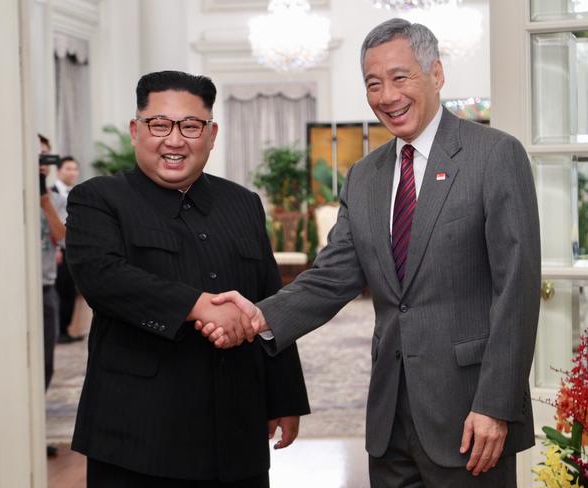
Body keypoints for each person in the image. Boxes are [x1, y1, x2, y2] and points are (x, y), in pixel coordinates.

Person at [199, 18, 541, 487]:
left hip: (469, 413)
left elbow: (516, 290)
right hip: (389, 416)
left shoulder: (495, 156)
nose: (387, 96)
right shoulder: (365, 175)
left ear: (436, 75)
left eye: (400, 78)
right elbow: (332, 276)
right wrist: (257, 317)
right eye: (373, 83)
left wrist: (495, 403)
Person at [65, 70, 310, 487]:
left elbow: (270, 300)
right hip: (138, 435)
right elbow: (102, 278)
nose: (174, 140)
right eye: (159, 124)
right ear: (135, 130)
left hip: (236, 429)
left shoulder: (243, 203)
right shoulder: (98, 199)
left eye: (191, 126)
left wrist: (284, 396)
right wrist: (196, 304)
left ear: (211, 134)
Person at [38, 134, 67, 457]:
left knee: (44, 363)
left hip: (45, 285)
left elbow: (63, 238)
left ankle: (38, 424)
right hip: (14, 289)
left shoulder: (55, 199)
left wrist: (44, 201)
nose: (42, 164)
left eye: (46, 158)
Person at [51, 156, 84, 343]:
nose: (72, 172)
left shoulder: (79, 192)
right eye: (68, 169)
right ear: (58, 171)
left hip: (72, 248)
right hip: (57, 250)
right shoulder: (49, 193)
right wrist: (55, 247)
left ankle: (65, 330)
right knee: (58, 291)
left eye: (75, 169)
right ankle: (56, 331)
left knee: (69, 291)